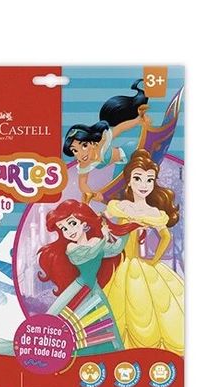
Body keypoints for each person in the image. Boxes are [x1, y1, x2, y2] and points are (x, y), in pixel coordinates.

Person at [103, 150, 184, 355]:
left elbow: (166, 236)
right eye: (138, 178)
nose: (144, 184)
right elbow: (101, 222)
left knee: (145, 306)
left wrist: (154, 260)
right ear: (129, 181)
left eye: (149, 180)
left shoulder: (154, 213)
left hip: (143, 265)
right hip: (119, 263)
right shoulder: (121, 206)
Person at [38, 199, 139, 355]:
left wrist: (129, 227)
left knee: (103, 322)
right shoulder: (72, 247)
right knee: (61, 323)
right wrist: (104, 236)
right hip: (78, 290)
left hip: (94, 290)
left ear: (84, 223)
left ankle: (106, 353)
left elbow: (116, 249)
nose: (69, 231)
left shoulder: (95, 241)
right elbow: (89, 254)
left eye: (72, 223)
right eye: (63, 228)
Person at [62, 79, 150, 203]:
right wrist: (92, 194)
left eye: (84, 146)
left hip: (131, 150)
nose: (81, 153)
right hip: (122, 164)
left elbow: (120, 128)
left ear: (92, 142)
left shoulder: (102, 142)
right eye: (74, 151)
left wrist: (138, 120)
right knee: (117, 187)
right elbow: (82, 184)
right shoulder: (84, 164)